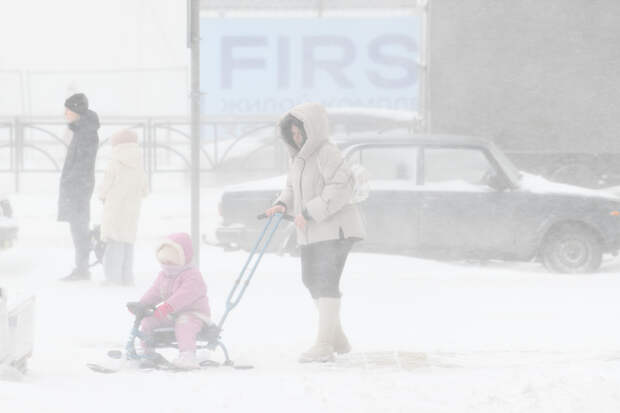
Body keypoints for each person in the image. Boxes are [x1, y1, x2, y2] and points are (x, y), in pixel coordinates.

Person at [264, 102, 366, 363]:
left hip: (337, 229)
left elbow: (340, 188)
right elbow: (291, 189)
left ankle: (324, 345)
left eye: (301, 132)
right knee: (311, 280)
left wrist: (310, 211)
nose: (297, 138)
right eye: (293, 134)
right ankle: (337, 337)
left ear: (314, 129)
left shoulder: (327, 153)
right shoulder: (297, 159)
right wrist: (281, 204)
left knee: (325, 281)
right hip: (311, 230)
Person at [129, 233, 211, 369]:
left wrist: (168, 306)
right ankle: (147, 352)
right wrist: (142, 305)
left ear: (183, 259)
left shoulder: (193, 276)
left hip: (194, 314)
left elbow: (184, 295)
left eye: (171, 262)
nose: (167, 265)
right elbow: (155, 291)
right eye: (163, 261)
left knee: (184, 324)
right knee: (148, 321)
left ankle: (188, 356)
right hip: (172, 313)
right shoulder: (164, 275)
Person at [98, 129, 148, 286]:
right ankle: (127, 277)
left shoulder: (115, 161)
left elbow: (106, 184)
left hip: (115, 208)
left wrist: (102, 195)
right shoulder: (139, 163)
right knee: (127, 242)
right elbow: (145, 189)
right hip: (132, 210)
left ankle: (113, 279)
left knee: (114, 243)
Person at [58, 93, 100, 281]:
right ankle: (82, 267)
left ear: (76, 110)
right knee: (78, 228)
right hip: (77, 187)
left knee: (80, 229)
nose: (65, 113)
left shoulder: (86, 133)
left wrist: (71, 182)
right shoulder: (82, 130)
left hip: (79, 188)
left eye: (68, 109)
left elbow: (83, 163)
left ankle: (83, 269)